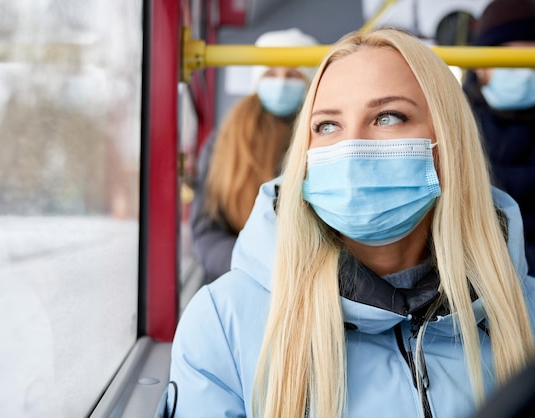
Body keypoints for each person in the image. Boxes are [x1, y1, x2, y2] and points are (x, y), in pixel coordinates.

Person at [167, 28, 535, 418]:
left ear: (448, 141)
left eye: (388, 117)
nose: (351, 145)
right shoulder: (224, 325)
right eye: (327, 126)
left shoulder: (524, 313)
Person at [190, 28, 318, 283]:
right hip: (238, 277)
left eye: (293, 75)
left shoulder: (325, 135)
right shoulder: (225, 141)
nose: (281, 83)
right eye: (271, 73)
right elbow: (206, 231)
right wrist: (252, 267)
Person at [462, 0, 535, 276]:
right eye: (511, 61)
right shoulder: (449, 126)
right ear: (480, 65)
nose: (526, 75)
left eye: (531, 63)